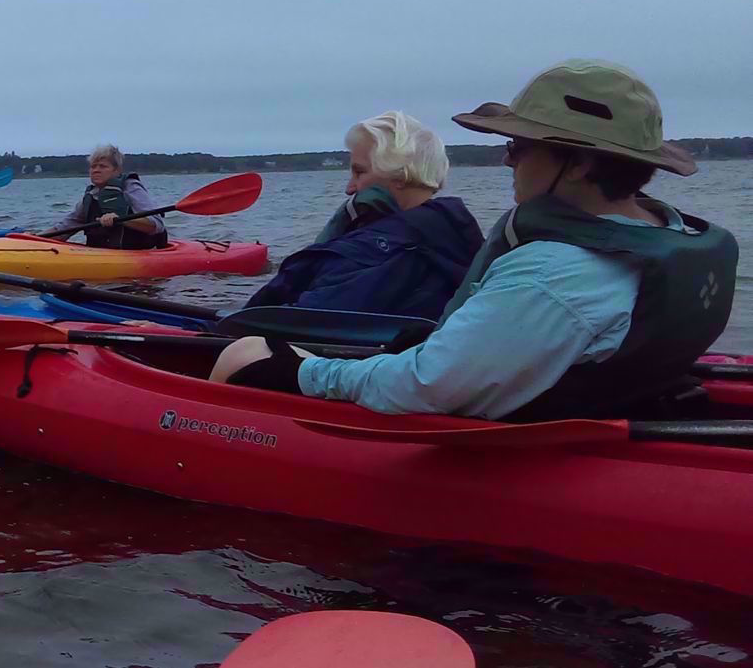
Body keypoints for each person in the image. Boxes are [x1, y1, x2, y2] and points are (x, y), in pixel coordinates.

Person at [212, 60, 738, 422]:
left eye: (519, 147)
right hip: (605, 399)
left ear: (578, 163)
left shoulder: (554, 271)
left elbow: (428, 387)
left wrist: (302, 370)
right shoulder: (661, 229)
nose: (506, 159)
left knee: (250, 352)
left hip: (523, 435)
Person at [243, 112, 483, 320]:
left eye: (359, 172)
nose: (349, 188)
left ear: (400, 176)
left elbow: (305, 320)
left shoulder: (378, 254)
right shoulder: (458, 237)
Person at [42, 145, 167, 249]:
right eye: (93, 166)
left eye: (102, 166)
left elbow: (156, 225)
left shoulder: (130, 187)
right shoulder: (90, 196)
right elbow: (64, 229)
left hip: (135, 253)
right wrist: (35, 237)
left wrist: (122, 219)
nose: (96, 170)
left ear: (116, 170)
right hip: (102, 255)